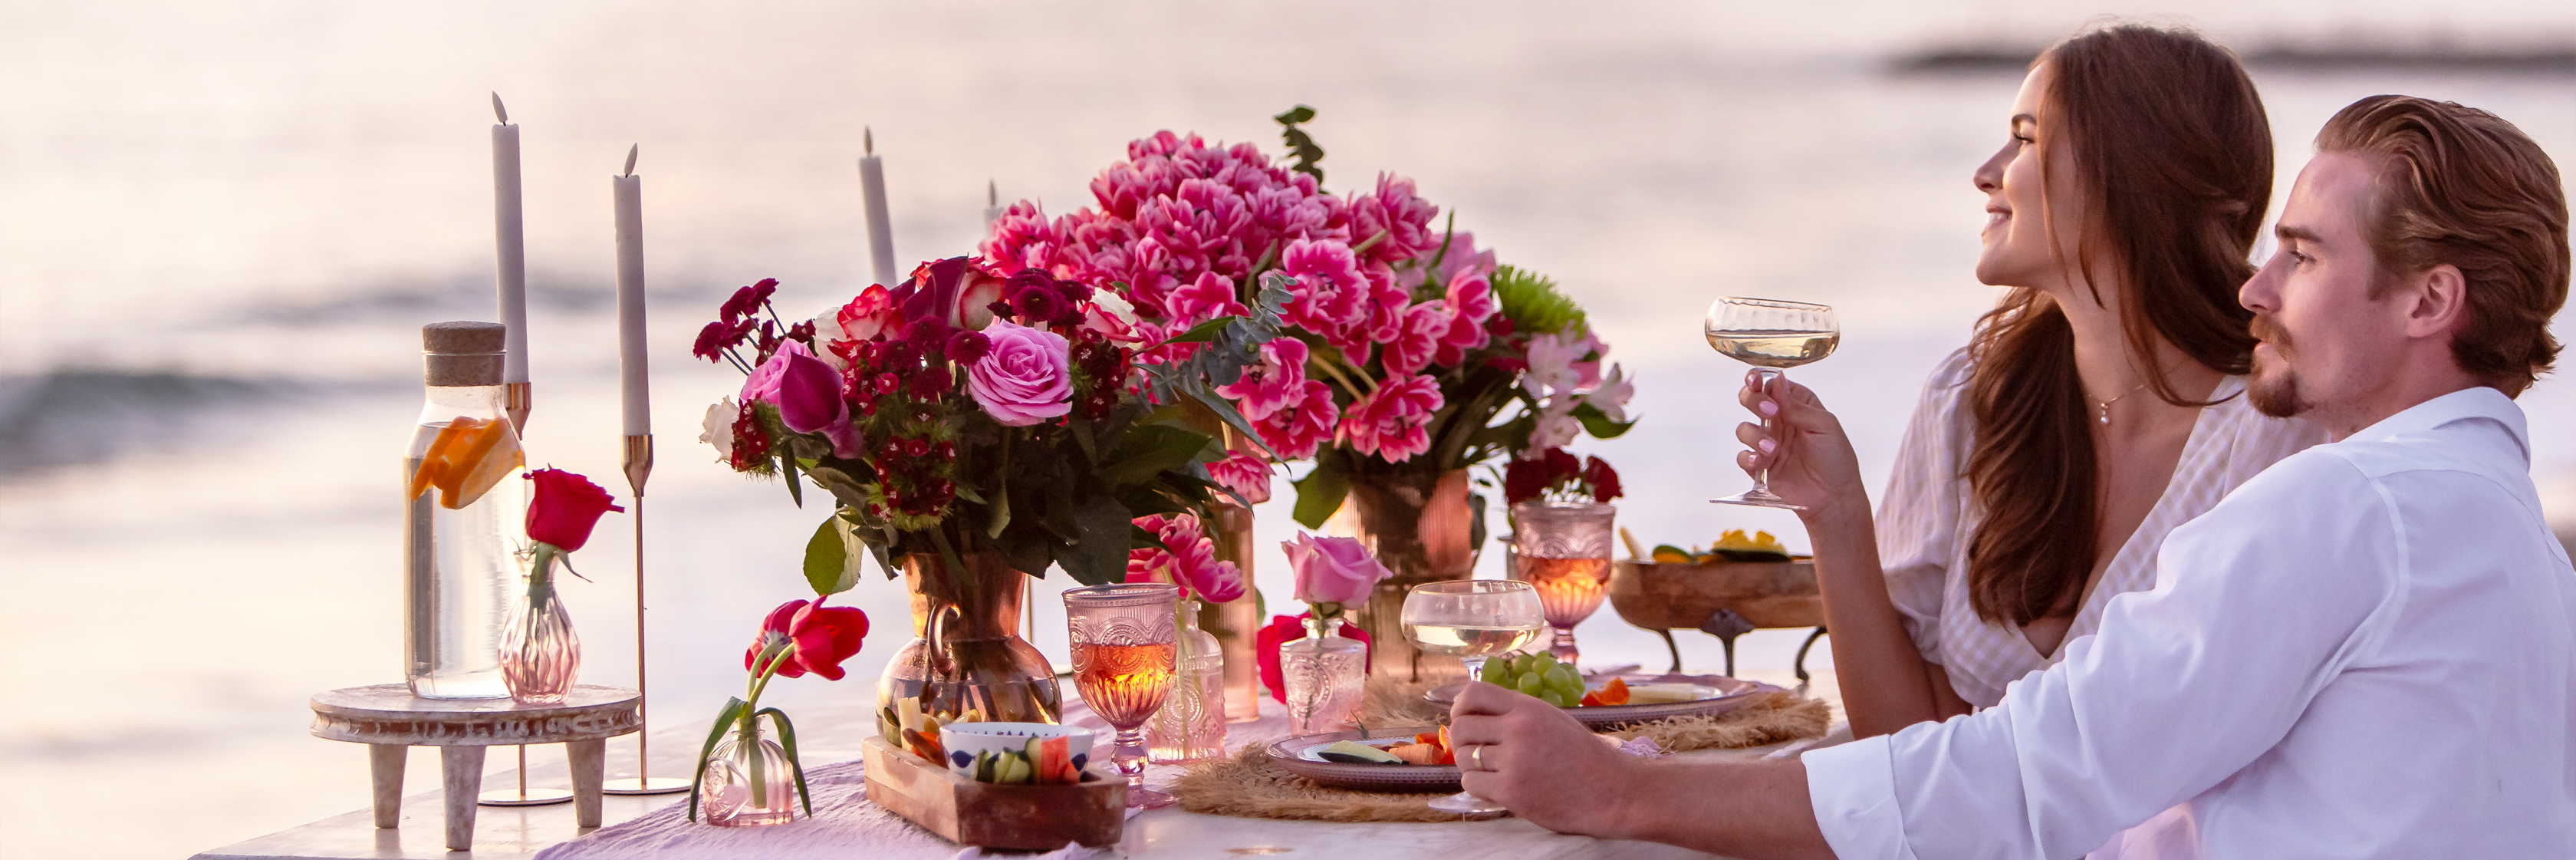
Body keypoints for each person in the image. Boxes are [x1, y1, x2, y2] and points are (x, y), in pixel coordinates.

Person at [1450, 94, 2574, 858]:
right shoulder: (2507, 538)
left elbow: (2033, 772)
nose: (2255, 289)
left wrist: (1618, 793)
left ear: (2428, 303)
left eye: (2305, 254)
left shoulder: (2349, 507)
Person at [1742, 25, 2328, 737]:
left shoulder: (2284, 433)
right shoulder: (1971, 399)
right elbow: (1907, 740)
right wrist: (1834, 515)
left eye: (2025, 139)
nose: (1986, 172)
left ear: (2140, 172)